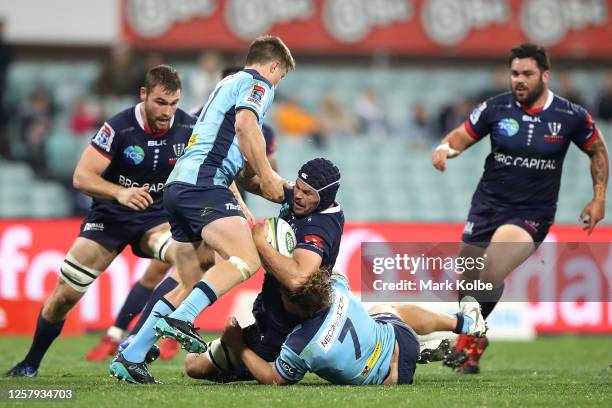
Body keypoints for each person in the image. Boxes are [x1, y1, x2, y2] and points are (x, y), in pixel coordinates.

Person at [109, 35, 295, 384]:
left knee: (189, 277)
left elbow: (239, 166)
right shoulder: (258, 84)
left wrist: (277, 185)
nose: (276, 84)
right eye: (280, 77)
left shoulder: (227, 84)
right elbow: (246, 127)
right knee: (246, 259)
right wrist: (269, 174)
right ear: (273, 67)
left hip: (180, 186)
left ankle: (131, 357)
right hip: (203, 186)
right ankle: (183, 318)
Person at [4, 65, 199, 378]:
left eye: (174, 103)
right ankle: (30, 363)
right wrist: (120, 193)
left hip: (155, 219)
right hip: (110, 218)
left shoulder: (189, 128)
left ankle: (140, 340)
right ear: (144, 95)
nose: (168, 112)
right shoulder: (119, 128)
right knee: (63, 297)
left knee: (190, 257)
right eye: (161, 103)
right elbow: (81, 177)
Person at [431, 43, 609, 374]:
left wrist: (599, 196)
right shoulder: (494, 108)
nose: (519, 80)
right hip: (486, 206)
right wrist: (444, 149)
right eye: (515, 74)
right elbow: (460, 136)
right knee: (469, 280)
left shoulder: (570, 115)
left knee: (493, 269)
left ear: (545, 75)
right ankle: (475, 343)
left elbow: (597, 150)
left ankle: (465, 337)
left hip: (531, 213)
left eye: (527, 73)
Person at [183, 157, 344, 382]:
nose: (298, 195)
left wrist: (260, 243)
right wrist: (249, 170)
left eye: (307, 193)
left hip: (283, 332)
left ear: (325, 197)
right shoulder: (300, 198)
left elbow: (298, 279)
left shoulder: (319, 228)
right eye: (298, 186)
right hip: (269, 315)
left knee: (194, 365)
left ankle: (259, 359)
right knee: (193, 361)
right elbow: (256, 183)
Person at [221, 272, 486, 385]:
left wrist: (238, 345)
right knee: (387, 311)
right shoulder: (337, 291)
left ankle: (450, 331)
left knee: (386, 313)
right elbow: (333, 272)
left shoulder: (301, 344)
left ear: (294, 307)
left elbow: (273, 377)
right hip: (400, 345)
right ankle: (461, 323)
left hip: (389, 382)